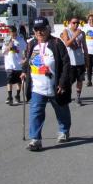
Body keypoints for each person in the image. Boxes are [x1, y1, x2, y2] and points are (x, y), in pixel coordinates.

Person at [21, 17, 72, 151]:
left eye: (42, 29)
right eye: (36, 30)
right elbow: (27, 60)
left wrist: (62, 83)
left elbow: (66, 64)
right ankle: (36, 140)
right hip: (37, 87)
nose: (39, 32)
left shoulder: (56, 43)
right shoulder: (31, 44)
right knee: (36, 112)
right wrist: (24, 72)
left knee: (61, 110)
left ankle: (64, 130)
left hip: (54, 86)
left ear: (48, 29)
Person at [60, 15, 88, 106]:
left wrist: (87, 59)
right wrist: (75, 35)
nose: (76, 24)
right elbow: (67, 43)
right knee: (69, 81)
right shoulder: (66, 31)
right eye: (74, 23)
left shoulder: (82, 33)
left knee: (80, 80)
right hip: (70, 61)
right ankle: (66, 95)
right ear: (69, 23)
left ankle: (78, 97)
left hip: (80, 60)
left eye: (77, 23)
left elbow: (84, 47)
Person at [2, 25, 27, 105]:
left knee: (18, 82)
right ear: (9, 33)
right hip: (9, 65)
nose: (14, 35)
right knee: (9, 81)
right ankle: (9, 97)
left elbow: (23, 49)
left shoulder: (20, 40)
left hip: (18, 64)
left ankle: (17, 95)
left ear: (16, 32)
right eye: (12, 34)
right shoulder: (6, 40)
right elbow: (3, 52)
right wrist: (8, 48)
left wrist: (13, 48)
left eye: (15, 33)